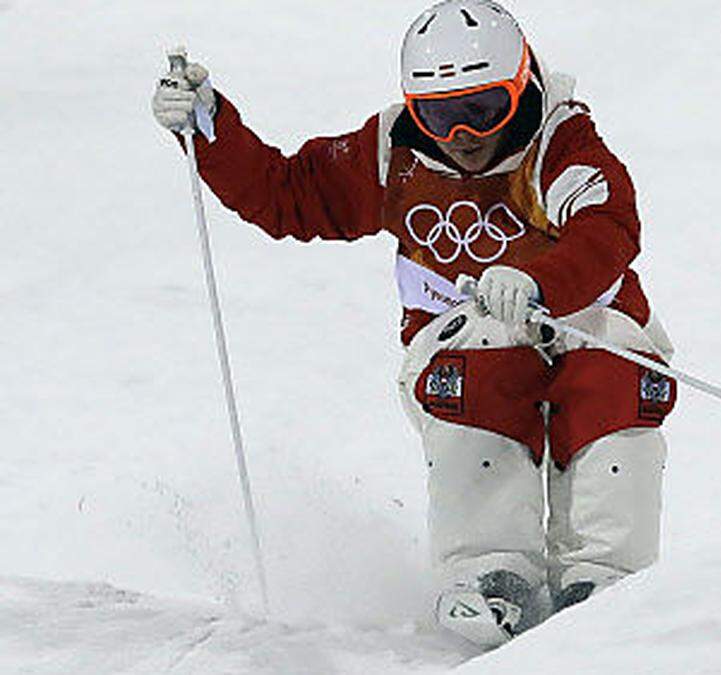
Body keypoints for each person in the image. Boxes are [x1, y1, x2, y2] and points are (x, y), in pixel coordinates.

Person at [153, 0, 676, 648]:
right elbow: (287, 193)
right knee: (482, 365)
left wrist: (541, 280)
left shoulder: (560, 143)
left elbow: (609, 223)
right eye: (440, 114)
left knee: (615, 378)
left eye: (485, 110)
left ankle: (605, 576)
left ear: (524, 89)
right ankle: (491, 570)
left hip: (583, 320)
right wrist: (210, 131)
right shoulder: (394, 152)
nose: (462, 134)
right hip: (465, 336)